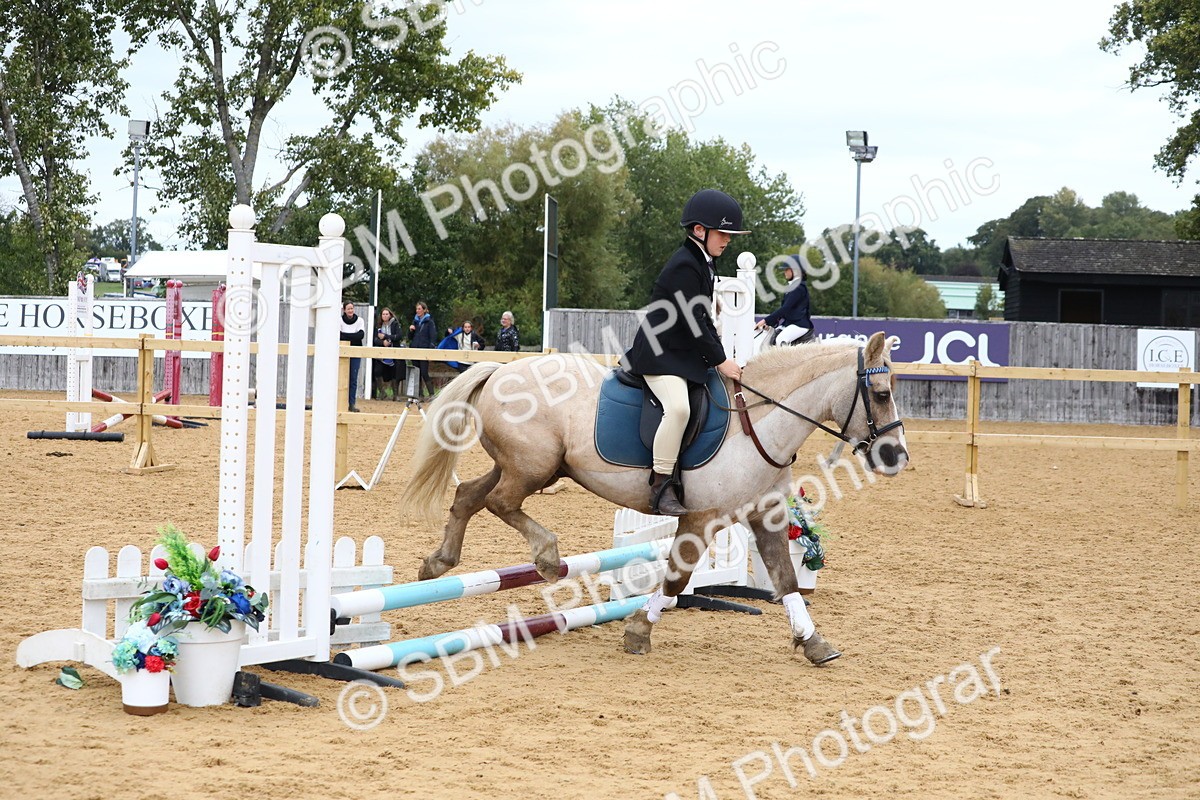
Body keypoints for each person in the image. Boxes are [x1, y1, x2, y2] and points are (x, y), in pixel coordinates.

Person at [623, 189, 747, 516]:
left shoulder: (703, 263)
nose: (727, 240)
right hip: (660, 355)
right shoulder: (685, 265)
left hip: (681, 355)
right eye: (723, 234)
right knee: (678, 409)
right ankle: (660, 486)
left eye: (730, 235)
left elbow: (703, 318)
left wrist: (718, 353)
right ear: (699, 230)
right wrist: (720, 360)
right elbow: (694, 321)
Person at [756, 256, 815, 345]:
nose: (784, 272)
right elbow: (785, 311)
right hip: (790, 323)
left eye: (787, 269)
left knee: (781, 339)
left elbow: (785, 308)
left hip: (799, 324)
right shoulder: (792, 286)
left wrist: (765, 320)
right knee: (770, 337)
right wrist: (770, 323)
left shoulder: (798, 287)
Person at [339, 301, 367, 412]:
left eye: (352, 308)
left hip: (355, 352)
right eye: (348, 308)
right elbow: (338, 335)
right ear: (344, 310)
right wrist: (353, 337)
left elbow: (361, 335)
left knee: (353, 379)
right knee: (341, 378)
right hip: (342, 352)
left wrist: (346, 336)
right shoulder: (340, 320)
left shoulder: (360, 320)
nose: (350, 310)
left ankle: (351, 403)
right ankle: (340, 402)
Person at [373, 307, 404, 401]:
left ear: (390, 315)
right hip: (381, 353)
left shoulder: (395, 324)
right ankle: (382, 393)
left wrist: (386, 337)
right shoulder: (378, 326)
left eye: (387, 314)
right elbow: (375, 339)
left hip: (393, 352)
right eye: (383, 314)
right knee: (377, 371)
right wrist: (382, 343)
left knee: (395, 372)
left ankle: (396, 395)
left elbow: (399, 336)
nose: (385, 316)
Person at [408, 300, 437, 399]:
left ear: (424, 310)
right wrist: (411, 330)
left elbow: (433, 337)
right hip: (415, 349)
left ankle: (432, 393)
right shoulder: (415, 322)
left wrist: (430, 350)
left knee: (424, 372)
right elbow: (410, 337)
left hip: (424, 350)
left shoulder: (430, 322)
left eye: (419, 309)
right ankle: (419, 394)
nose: (417, 310)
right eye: (416, 309)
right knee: (417, 372)